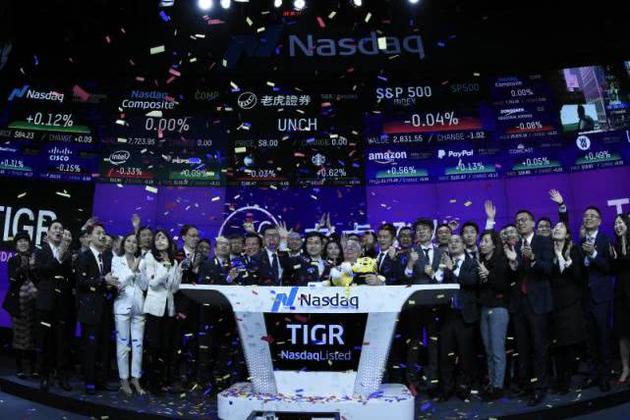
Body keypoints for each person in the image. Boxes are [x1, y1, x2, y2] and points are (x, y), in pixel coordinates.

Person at [508, 210, 553, 406]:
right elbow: (514, 276)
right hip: (520, 304)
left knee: (539, 346)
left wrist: (533, 258)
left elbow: (548, 269)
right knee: (522, 347)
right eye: (518, 221)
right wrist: (513, 264)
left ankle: (540, 387)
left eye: (524, 220)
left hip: (538, 303)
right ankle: (526, 385)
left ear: (533, 223)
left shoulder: (543, 241)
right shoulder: (515, 245)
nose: (520, 223)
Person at [402, 218, 445, 396]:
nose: (421, 232)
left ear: (431, 232)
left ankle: (433, 382)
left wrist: (433, 274)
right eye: (418, 229)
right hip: (415, 306)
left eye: (425, 229)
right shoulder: (410, 251)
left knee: (435, 344)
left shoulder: (441, 252)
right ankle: (412, 381)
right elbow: (404, 278)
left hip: (436, 306)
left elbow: (443, 278)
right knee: (414, 345)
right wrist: (410, 264)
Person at [76, 223, 119, 395]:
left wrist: (113, 286)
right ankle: (89, 381)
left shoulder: (107, 258)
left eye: (104, 233)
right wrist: (103, 281)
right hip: (90, 310)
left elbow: (109, 280)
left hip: (105, 310)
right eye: (98, 233)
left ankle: (101, 380)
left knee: (104, 347)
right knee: (90, 347)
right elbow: (81, 283)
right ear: (89, 237)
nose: (102, 236)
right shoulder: (84, 256)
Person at [32, 221, 74, 392]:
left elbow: (69, 277)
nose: (59, 231)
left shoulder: (68, 253)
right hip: (45, 302)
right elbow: (42, 272)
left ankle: (61, 376)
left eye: (61, 229)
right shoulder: (40, 251)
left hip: (62, 303)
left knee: (61, 341)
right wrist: (58, 258)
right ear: (48, 233)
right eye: (55, 228)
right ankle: (44, 376)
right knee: (45, 341)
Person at [438, 235, 479, 401]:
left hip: (465, 315)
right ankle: (446, 389)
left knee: (465, 354)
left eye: (456, 241)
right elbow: (437, 284)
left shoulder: (472, 262)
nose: (453, 244)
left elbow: (471, 281)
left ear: (463, 244)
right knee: (445, 354)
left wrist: (453, 268)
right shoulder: (443, 263)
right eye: (450, 242)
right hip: (447, 315)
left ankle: (463, 388)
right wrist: (441, 270)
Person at [142, 230, 183, 394]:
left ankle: (162, 380)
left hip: (168, 308)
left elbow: (174, 289)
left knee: (166, 346)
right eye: (157, 238)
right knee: (153, 346)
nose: (160, 241)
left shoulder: (173, 261)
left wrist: (178, 273)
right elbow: (152, 283)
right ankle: (151, 382)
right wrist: (165, 269)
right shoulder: (150, 257)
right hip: (154, 308)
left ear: (168, 241)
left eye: (163, 237)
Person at [197, 236, 240, 390]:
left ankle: (223, 382)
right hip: (210, 315)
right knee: (207, 351)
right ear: (215, 249)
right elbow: (206, 285)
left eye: (227, 244)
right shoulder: (206, 264)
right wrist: (227, 280)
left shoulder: (235, 265)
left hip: (228, 316)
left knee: (225, 351)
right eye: (221, 244)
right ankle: (205, 384)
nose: (224, 247)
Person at [549, 222, 586, 394]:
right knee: (557, 346)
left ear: (568, 235)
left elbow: (579, 276)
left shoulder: (574, 250)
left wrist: (564, 259)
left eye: (561, 227)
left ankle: (567, 380)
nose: (556, 229)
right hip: (553, 305)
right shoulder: (547, 251)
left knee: (570, 344)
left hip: (570, 304)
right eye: (555, 227)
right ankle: (559, 380)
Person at [580, 206, 613, 392]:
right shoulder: (579, 242)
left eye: (592, 216)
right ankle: (593, 374)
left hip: (601, 297)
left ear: (599, 221)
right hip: (585, 298)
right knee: (590, 339)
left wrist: (593, 253)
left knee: (603, 337)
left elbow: (609, 267)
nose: (588, 218)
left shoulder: (605, 240)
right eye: (586, 216)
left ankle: (605, 376)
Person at [111, 233, 147, 396]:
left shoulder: (142, 262)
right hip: (122, 305)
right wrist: (132, 269)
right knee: (123, 345)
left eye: (134, 242)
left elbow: (144, 286)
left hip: (139, 307)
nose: (131, 244)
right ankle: (123, 379)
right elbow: (119, 283)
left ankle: (135, 378)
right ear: (124, 244)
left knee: (138, 345)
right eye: (129, 241)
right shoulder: (116, 260)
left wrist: (139, 271)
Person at [477, 230, 510, 401]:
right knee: (488, 350)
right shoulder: (481, 261)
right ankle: (491, 383)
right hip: (484, 308)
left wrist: (488, 274)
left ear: (494, 245)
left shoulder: (502, 261)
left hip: (499, 309)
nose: (482, 244)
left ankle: (498, 386)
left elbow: (503, 285)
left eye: (486, 241)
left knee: (497, 350)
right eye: (481, 241)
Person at [2, 231, 38, 379]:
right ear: (16, 245)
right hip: (18, 304)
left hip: (34, 304)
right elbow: (12, 280)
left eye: (25, 240)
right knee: (18, 337)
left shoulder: (34, 259)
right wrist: (23, 267)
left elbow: (38, 280)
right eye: (20, 241)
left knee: (33, 336)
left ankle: (34, 368)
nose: (23, 243)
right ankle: (19, 368)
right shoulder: (13, 260)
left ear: (29, 243)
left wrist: (33, 267)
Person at [174, 225, 201, 391]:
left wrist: (197, 270)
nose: (195, 238)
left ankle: (192, 378)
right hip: (179, 306)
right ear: (184, 237)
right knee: (178, 342)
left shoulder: (202, 257)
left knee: (194, 343)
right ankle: (177, 377)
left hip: (197, 306)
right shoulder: (176, 255)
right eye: (192, 235)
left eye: (197, 236)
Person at [611, 214, 630, 384]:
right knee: (623, 334)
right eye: (616, 224)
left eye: (621, 223)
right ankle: (625, 368)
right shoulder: (614, 246)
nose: (618, 226)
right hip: (620, 295)